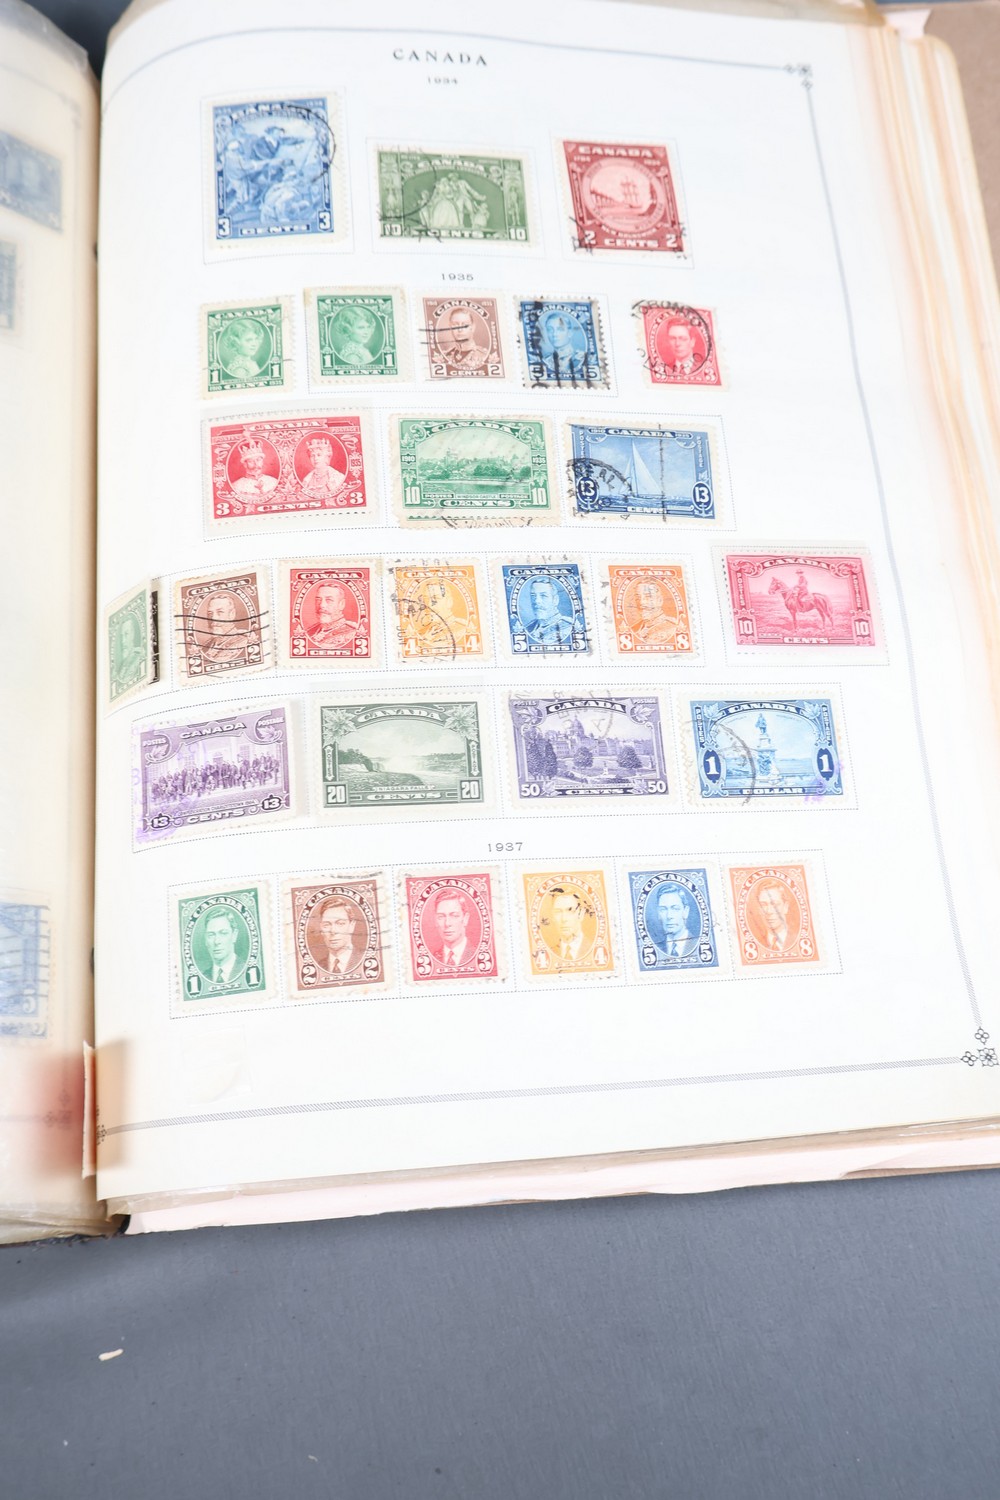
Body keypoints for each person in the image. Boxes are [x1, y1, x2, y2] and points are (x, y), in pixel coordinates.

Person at [520, 576, 578, 648]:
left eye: (543, 596)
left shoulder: (569, 626)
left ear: (555, 600)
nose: (537, 601)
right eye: (533, 596)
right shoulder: (528, 628)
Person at [196, 591, 250, 665]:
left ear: (232, 614)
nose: (213, 618)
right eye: (210, 613)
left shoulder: (243, 641)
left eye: (220, 612)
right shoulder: (205, 647)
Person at [315, 897, 365, 975]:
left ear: (352, 926)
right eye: (326, 925)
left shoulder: (365, 959)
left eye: (340, 923)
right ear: (321, 929)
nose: (333, 931)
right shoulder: (317, 966)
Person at [428, 890, 475, 967]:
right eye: (441, 917)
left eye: (454, 916)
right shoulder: (431, 958)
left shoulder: (477, 954)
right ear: (435, 920)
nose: (447, 923)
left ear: (465, 919)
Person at [306, 581, 358, 650]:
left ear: (341, 604)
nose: (322, 605)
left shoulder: (352, 633)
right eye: (318, 600)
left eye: (329, 600)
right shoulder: (309, 631)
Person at [199, 909, 245, 986]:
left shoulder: (247, 970)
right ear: (205, 939)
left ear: (234, 935)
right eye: (211, 935)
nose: (216, 941)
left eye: (223, 933)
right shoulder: (201, 978)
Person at [538, 309, 587, 381]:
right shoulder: (546, 361)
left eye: (560, 329)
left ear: (570, 333)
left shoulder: (581, 358)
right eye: (550, 329)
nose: (554, 334)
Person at [544, 887, 590, 963]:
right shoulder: (548, 954)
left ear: (581, 913)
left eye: (570, 910)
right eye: (558, 912)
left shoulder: (592, 948)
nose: (564, 919)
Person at [654, 885, 699, 959]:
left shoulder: (698, 944)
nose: (669, 916)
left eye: (675, 909)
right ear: (658, 913)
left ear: (685, 912)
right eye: (663, 909)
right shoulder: (656, 947)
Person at [438, 304, 488, 370]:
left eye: (465, 325)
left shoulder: (484, 355)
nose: (460, 329)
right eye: (455, 325)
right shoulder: (444, 356)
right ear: (450, 327)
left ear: (473, 327)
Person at [628, 579, 677, 646]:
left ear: (660, 600)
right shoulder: (633, 629)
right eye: (638, 598)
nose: (641, 602)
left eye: (648, 597)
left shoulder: (672, 628)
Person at [753, 880, 794, 953]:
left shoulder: (795, 939)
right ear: (759, 909)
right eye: (763, 905)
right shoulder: (755, 943)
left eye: (775, 904)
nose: (769, 911)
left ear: (785, 907)